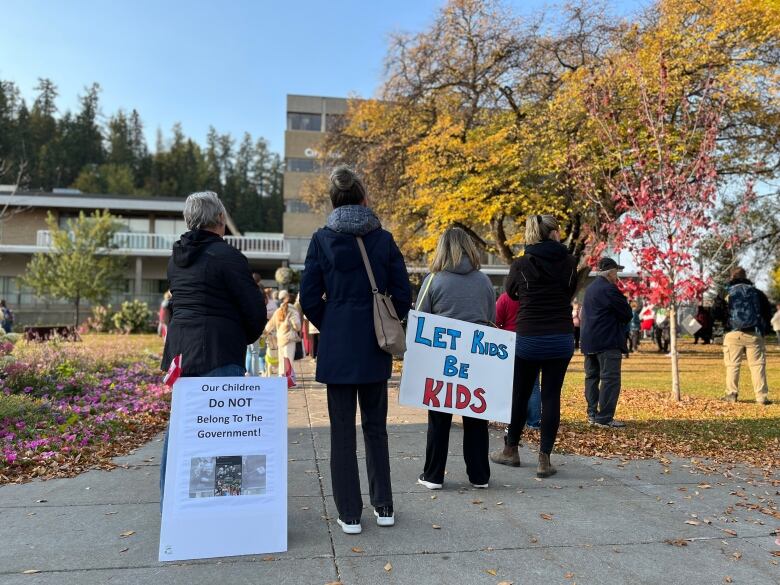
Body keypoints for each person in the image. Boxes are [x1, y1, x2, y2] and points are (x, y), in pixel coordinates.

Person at [300, 165, 411, 535]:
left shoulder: (321, 239)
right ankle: (384, 506)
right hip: (374, 343)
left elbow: (309, 297)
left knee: (342, 431)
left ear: (333, 201)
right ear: (364, 198)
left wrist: (331, 324)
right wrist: (384, 318)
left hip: (337, 345)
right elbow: (403, 292)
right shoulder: (383, 239)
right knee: (376, 428)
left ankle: (349, 513)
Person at [160, 191, 267, 501]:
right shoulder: (227, 257)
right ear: (220, 219)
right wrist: (243, 336)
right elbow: (254, 309)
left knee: (181, 427)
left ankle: (172, 500)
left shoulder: (176, 260)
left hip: (181, 352)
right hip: (219, 350)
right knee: (224, 429)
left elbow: (176, 306)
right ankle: (224, 502)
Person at [490, 214, 578, 478]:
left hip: (528, 337)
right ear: (551, 233)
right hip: (560, 336)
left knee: (520, 394)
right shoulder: (569, 262)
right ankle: (544, 459)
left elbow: (512, 292)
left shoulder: (520, 264)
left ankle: (510, 449)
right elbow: (570, 292)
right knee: (551, 397)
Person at [415, 228, 496, 492]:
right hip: (476, 359)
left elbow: (420, 320)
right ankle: (479, 475)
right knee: (476, 418)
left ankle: (433, 475)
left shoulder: (433, 280)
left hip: (442, 360)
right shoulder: (484, 281)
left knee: (439, 418)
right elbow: (490, 318)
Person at [580, 258, 633, 428]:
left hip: (589, 341)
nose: (617, 277)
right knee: (610, 379)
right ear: (610, 273)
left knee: (592, 377)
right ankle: (604, 418)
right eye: (616, 273)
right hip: (607, 341)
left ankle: (592, 413)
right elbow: (626, 313)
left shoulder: (590, 289)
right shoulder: (610, 289)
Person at [713, 267, 772, 405]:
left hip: (733, 333)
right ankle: (761, 397)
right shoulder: (757, 293)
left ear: (731, 277)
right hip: (754, 334)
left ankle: (731, 394)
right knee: (757, 366)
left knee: (733, 365)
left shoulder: (726, 292)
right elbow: (767, 312)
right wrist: (763, 330)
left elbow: (715, 311)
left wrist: (725, 321)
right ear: (746, 276)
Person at [496, 291, 541, 429]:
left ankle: (509, 419)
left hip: (509, 343)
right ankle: (533, 422)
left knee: (510, 384)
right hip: (532, 340)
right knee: (533, 385)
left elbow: (497, 321)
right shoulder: (535, 297)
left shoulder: (505, 298)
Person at [264, 290, 301, 382]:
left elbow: (269, 326)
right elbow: (297, 326)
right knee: (288, 359)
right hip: (290, 338)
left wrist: (264, 334)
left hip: (280, 338)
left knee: (281, 359)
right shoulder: (293, 311)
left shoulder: (278, 311)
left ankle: (281, 377)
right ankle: (289, 380)